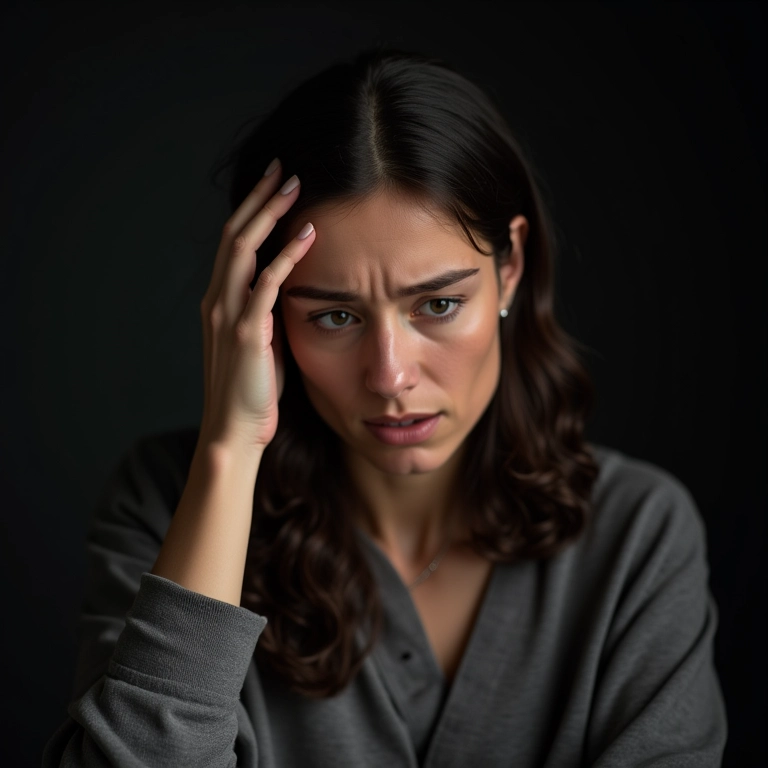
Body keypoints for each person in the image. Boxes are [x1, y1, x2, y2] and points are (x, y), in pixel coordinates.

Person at [42, 47, 727, 767]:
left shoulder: (638, 537)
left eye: (437, 303)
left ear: (511, 267)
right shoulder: (164, 505)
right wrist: (230, 450)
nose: (390, 376)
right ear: (260, 315)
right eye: (334, 317)